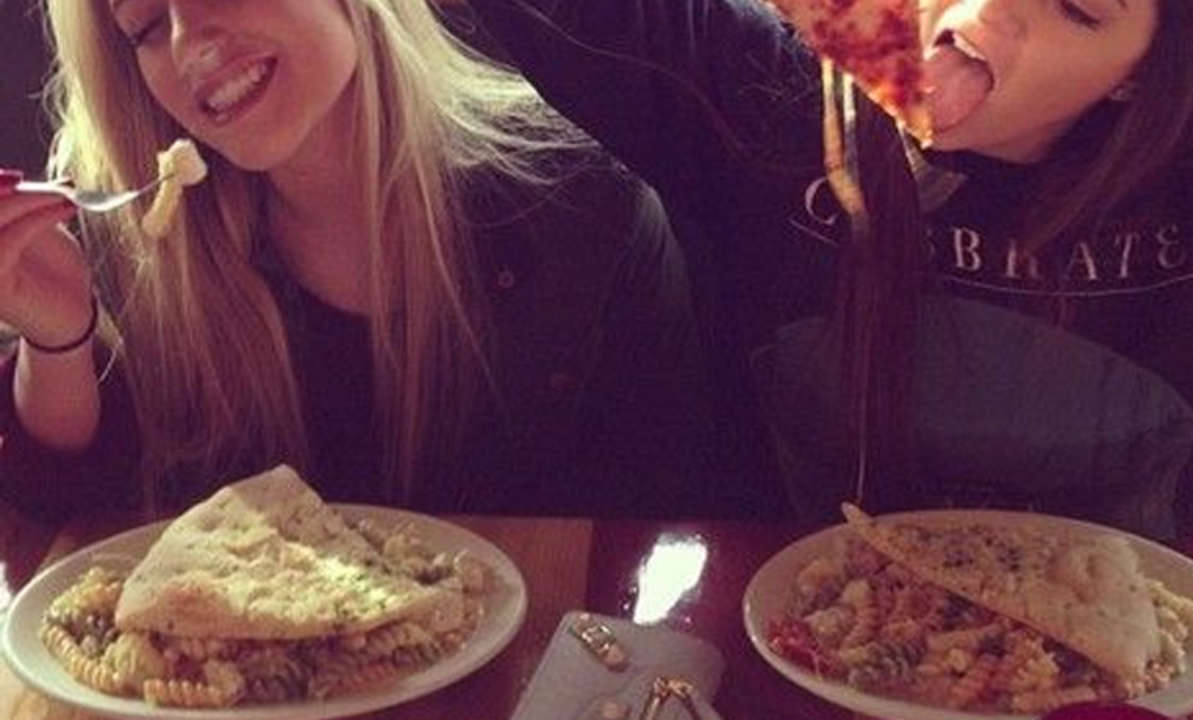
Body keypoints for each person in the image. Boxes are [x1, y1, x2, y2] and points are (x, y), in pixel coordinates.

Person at [457, 0, 1193, 538]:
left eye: (1076, 7)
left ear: (1143, 73)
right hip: (786, 637)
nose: (978, 15)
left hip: (1142, 658)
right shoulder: (771, 85)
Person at [0, 0, 720, 521]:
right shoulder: (145, 247)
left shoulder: (585, 205)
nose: (189, 42)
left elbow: (660, 521)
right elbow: (80, 530)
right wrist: (57, 337)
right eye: (146, 25)